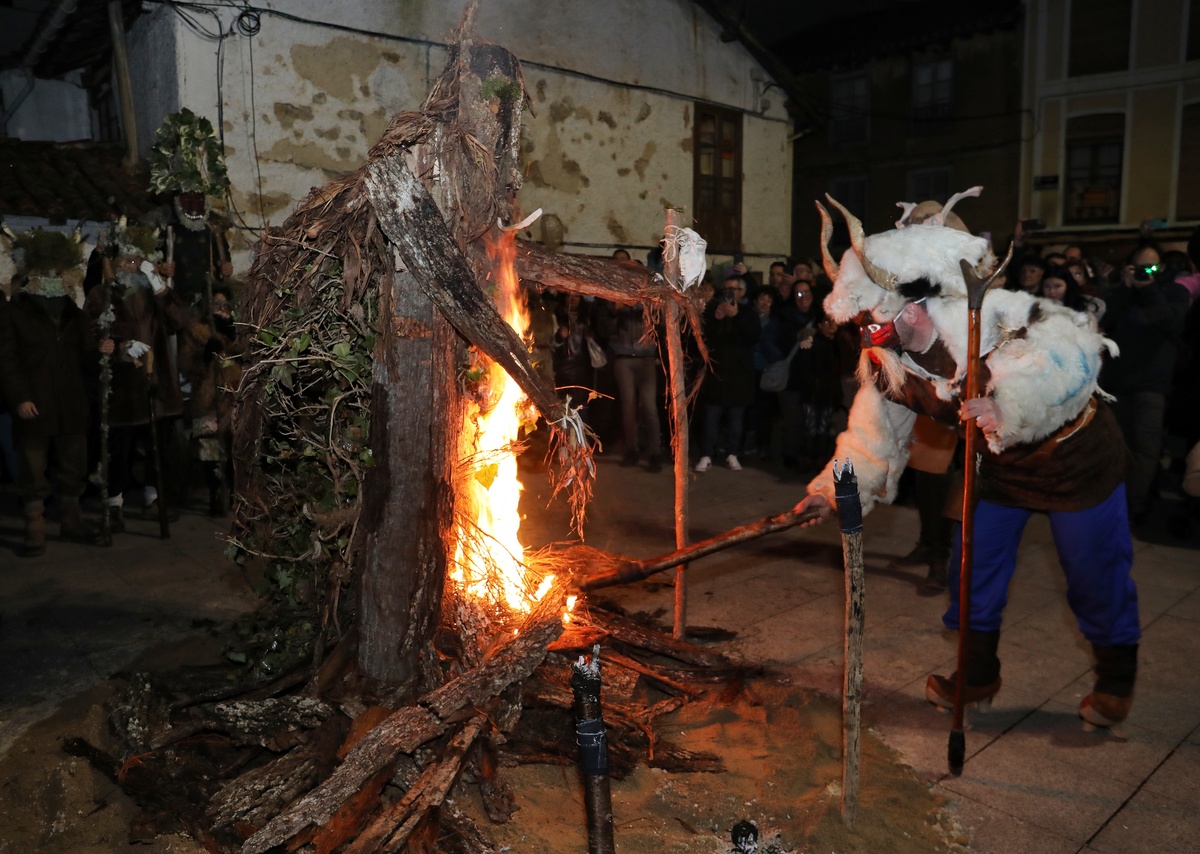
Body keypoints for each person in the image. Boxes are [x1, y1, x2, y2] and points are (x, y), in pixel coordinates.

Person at [794, 189, 1140, 727]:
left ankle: (1116, 681)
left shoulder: (993, 312)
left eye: (876, 317)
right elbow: (870, 440)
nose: (868, 329)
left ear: (911, 304)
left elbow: (1071, 353)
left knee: (1095, 575)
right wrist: (831, 493)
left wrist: (1014, 406)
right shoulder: (888, 363)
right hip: (998, 470)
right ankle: (977, 675)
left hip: (1075, 463)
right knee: (971, 571)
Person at [0, 230, 105, 555]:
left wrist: (102, 348)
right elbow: (6, 359)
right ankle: (36, 526)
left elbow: (86, 358)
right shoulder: (14, 312)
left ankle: (71, 521)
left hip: (71, 404)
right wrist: (19, 397)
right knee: (33, 469)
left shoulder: (74, 314)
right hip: (35, 404)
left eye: (57, 272)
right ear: (33, 273)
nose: (52, 278)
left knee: (74, 465)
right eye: (46, 272)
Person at [85, 222, 192, 529]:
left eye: (136, 261)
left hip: (157, 384)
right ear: (116, 265)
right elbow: (91, 334)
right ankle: (114, 502)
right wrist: (117, 348)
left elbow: (180, 321)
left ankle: (153, 497)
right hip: (122, 386)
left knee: (158, 445)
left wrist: (158, 283)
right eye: (126, 261)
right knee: (119, 448)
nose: (131, 266)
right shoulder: (101, 294)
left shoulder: (155, 294)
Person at [1099, 244, 1190, 525]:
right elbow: (1107, 320)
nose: (1144, 272)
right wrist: (1125, 288)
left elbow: (1169, 321)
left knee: (1147, 447)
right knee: (1116, 445)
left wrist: (1148, 288)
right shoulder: (1121, 292)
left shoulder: (1175, 291)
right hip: (1118, 380)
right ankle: (1113, 501)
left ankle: (1135, 504)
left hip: (1152, 383)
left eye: (1151, 267)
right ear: (1128, 267)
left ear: (1160, 268)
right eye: (1138, 267)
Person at [695, 270, 759, 472]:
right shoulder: (713, 309)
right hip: (717, 374)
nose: (731, 293)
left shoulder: (749, 313)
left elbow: (752, 337)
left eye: (735, 289)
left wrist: (737, 316)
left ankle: (733, 454)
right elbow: (703, 338)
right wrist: (716, 318)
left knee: (736, 420)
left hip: (740, 376)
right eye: (728, 289)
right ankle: (706, 454)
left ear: (743, 291)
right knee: (711, 418)